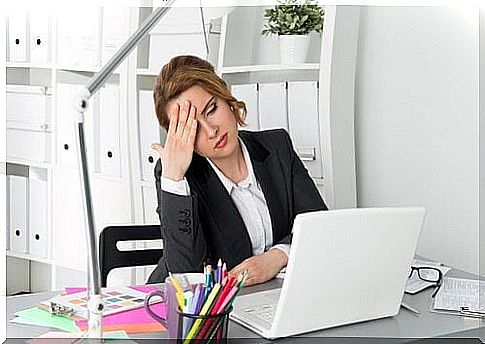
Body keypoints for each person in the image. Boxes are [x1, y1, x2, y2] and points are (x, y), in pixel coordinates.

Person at [147, 55, 327, 286]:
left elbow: (318, 225)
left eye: (211, 109)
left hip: (266, 298)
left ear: (225, 97)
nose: (211, 131)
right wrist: (173, 178)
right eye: (193, 128)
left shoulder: (276, 147)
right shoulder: (177, 174)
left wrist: (277, 256)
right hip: (193, 309)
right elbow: (186, 275)